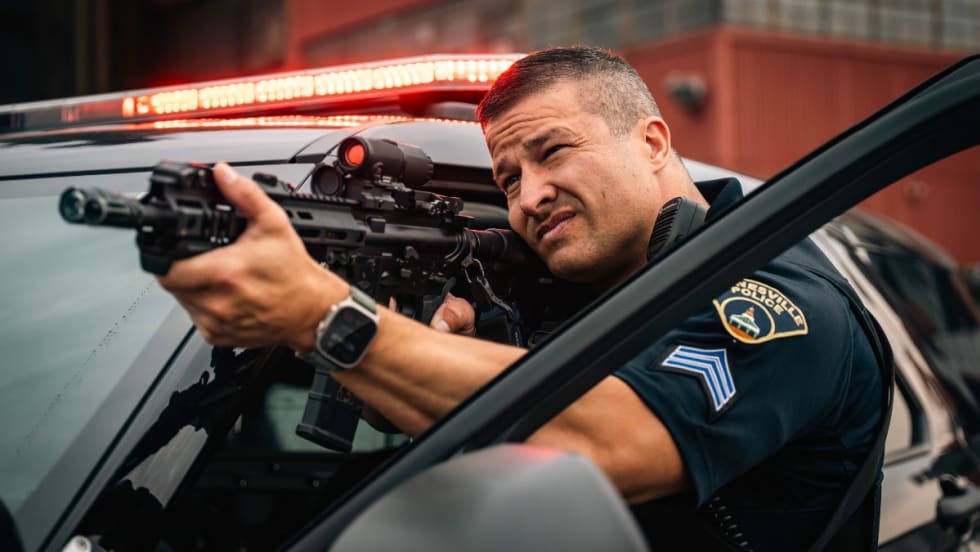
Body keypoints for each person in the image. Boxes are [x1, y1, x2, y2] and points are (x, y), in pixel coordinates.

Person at [157, 46, 887, 550]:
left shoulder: (775, 296)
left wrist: (326, 319)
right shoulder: (566, 294)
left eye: (554, 151)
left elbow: (604, 445)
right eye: (508, 179)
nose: (529, 197)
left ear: (653, 143)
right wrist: (430, 350)